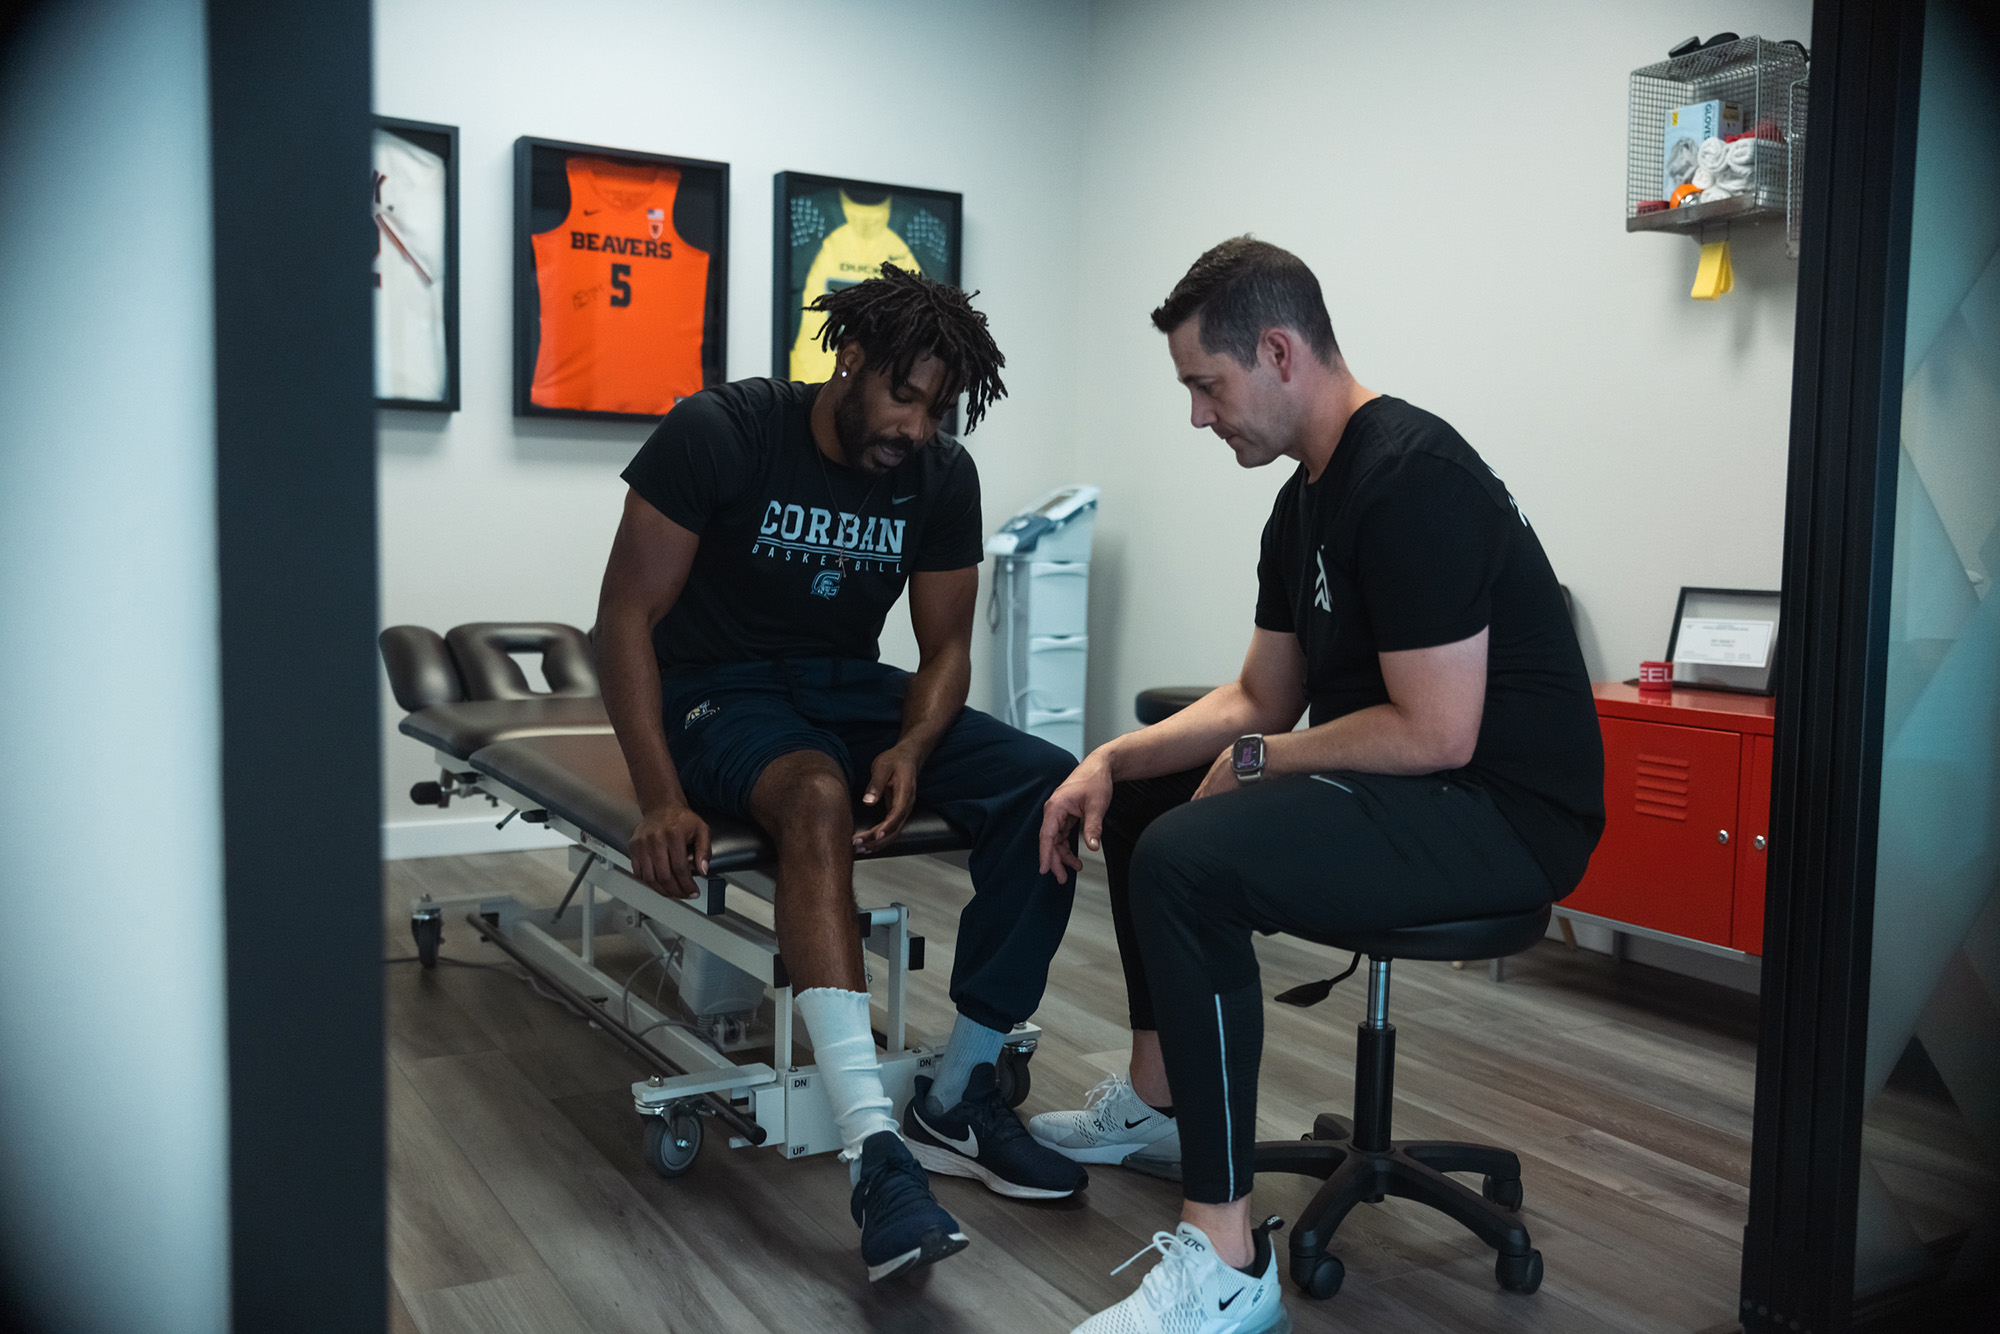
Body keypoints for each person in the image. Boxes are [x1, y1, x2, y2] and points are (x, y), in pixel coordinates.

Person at [1034, 238, 1604, 1333]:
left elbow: (1437, 732)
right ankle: (1156, 1107)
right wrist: (1110, 757)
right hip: (1422, 787)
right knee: (1149, 803)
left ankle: (1226, 1259)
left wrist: (1260, 762)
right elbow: (1260, 694)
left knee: (1188, 860)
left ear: (1279, 352)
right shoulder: (1301, 504)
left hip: (1502, 816)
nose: (1198, 417)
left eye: (1206, 384)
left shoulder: (1411, 478)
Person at [595, 264, 1087, 1285]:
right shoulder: (724, 432)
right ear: (849, 358)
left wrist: (911, 744)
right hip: (716, 690)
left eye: (938, 408)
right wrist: (659, 794)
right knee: (813, 793)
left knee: (1050, 784)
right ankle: (875, 1152)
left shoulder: (939, 476)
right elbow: (624, 623)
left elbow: (945, 645)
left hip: (848, 687)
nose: (915, 426)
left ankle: (956, 1094)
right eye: (904, 395)